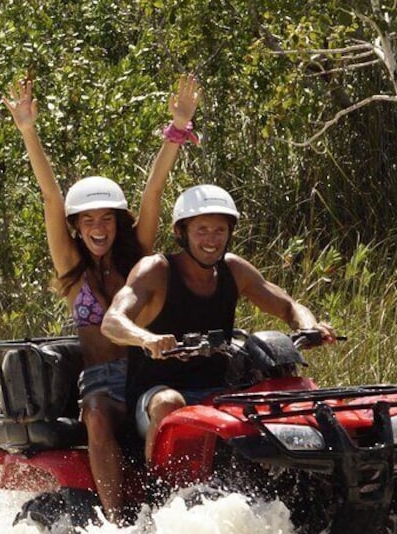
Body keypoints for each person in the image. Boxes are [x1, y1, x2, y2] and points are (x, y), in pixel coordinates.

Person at [1, 72, 201, 524]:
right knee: (93, 411)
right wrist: (28, 130)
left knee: (177, 404)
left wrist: (178, 130)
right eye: (88, 220)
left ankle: (164, 508)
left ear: (118, 222)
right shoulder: (73, 272)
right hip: (101, 383)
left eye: (107, 219)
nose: (98, 227)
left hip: (145, 370)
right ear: (77, 226)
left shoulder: (138, 257)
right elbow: (51, 198)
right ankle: (117, 524)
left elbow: (154, 190)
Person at [100, 184, 337, 462]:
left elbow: (289, 306)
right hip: (156, 394)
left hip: (222, 392)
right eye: (202, 230)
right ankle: (160, 495)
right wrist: (146, 338)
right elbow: (112, 321)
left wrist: (309, 327)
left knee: (286, 391)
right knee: (170, 403)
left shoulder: (233, 269)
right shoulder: (156, 270)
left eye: (220, 230)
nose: (211, 239)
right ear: (181, 232)